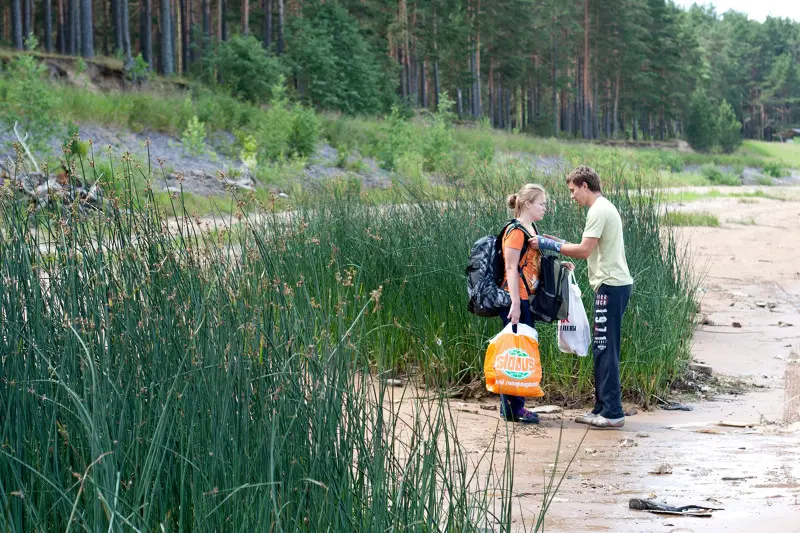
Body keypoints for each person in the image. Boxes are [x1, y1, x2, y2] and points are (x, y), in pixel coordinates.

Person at [531, 166, 633, 429]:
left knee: (605, 347)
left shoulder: (598, 210)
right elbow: (586, 245)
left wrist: (548, 245)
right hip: (611, 286)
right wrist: (554, 240)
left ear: (585, 186)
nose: (572, 196)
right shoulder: (602, 208)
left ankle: (612, 413)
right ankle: (601, 408)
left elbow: (584, 251)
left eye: (573, 190)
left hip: (611, 286)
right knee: (601, 346)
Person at [497, 183, 573, 424]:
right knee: (517, 351)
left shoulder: (532, 228)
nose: (545, 208)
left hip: (527, 297)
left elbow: (533, 263)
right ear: (528, 204)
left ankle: (509, 407)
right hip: (515, 298)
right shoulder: (516, 230)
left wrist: (561, 267)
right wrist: (516, 303)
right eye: (541, 203)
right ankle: (515, 408)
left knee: (520, 348)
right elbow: (510, 266)